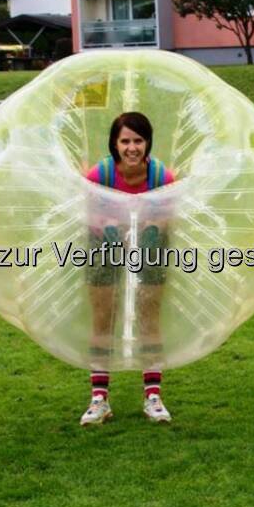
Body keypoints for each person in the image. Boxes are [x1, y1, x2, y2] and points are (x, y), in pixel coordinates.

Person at [80, 111, 177, 426]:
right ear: (114, 143)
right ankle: (99, 400)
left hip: (150, 246)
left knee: (149, 317)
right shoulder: (100, 175)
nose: (132, 148)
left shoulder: (162, 177)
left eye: (138, 140)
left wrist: (150, 228)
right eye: (125, 141)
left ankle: (153, 396)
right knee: (103, 318)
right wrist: (108, 225)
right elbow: (88, 214)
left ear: (147, 142)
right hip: (103, 245)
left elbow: (166, 217)